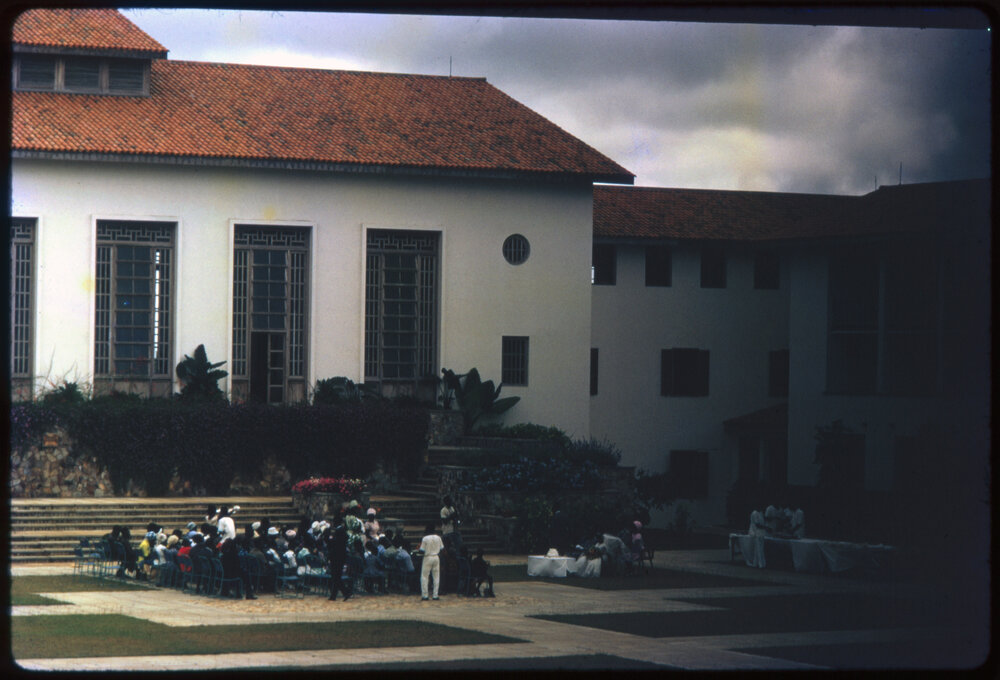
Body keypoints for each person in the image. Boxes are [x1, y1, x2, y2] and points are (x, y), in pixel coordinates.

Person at [324, 524, 352, 601]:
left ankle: (345, 592)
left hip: (336, 560)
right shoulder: (343, 542)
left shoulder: (337, 541)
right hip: (340, 560)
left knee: (336, 578)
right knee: (336, 578)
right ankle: (334, 595)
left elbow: (329, 544)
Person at [418, 523, 444, 601]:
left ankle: (425, 595)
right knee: (436, 577)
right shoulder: (438, 538)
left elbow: (422, 550)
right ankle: (435, 595)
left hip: (427, 557)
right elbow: (442, 549)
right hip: (436, 557)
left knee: (424, 576)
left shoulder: (425, 538)